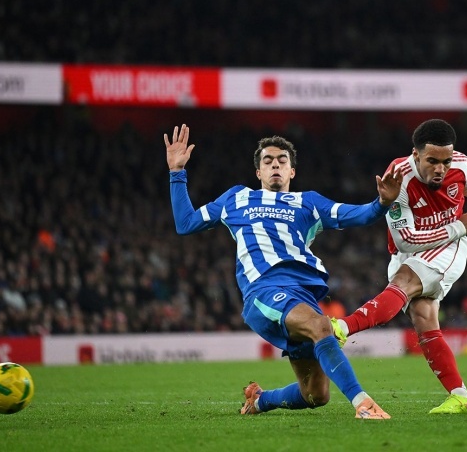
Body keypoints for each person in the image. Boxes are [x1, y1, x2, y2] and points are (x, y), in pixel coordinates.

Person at [164, 124, 402, 419]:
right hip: (264, 289)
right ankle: (363, 404)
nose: (275, 165)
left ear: (292, 171)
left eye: (282, 160)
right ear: (258, 172)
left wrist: (382, 203)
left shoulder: (309, 203)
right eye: (268, 161)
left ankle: (260, 401)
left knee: (315, 394)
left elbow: (358, 215)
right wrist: (177, 172)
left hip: (302, 294)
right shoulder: (236, 198)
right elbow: (185, 223)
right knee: (322, 326)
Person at [331, 119, 467, 414]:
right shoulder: (398, 178)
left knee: (403, 282)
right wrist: (458, 226)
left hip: (449, 247)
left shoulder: (460, 165)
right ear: (416, 155)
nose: (440, 168)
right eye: (432, 161)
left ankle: (341, 328)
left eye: (445, 161)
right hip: (412, 248)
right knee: (423, 317)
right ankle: (461, 397)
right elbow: (405, 241)